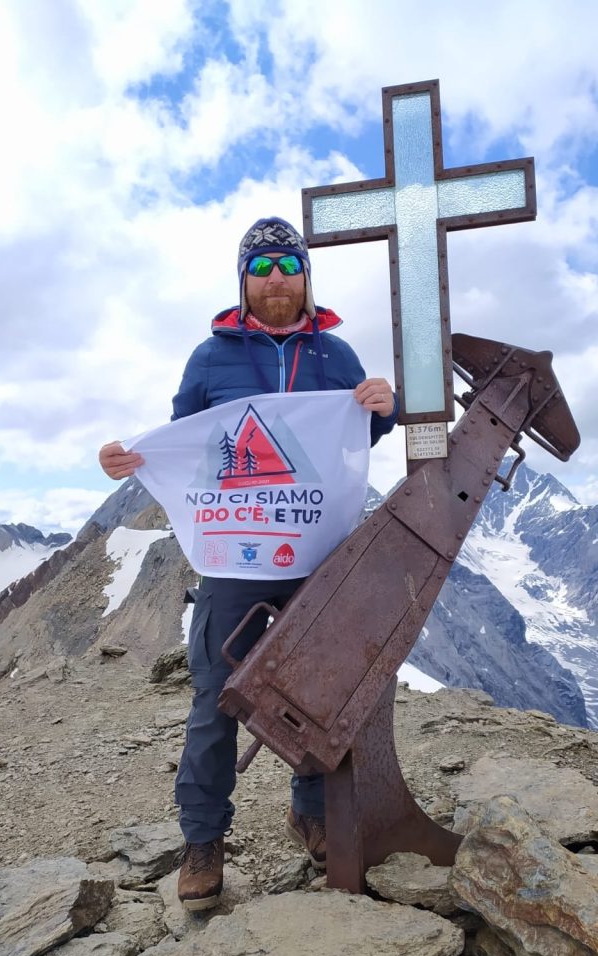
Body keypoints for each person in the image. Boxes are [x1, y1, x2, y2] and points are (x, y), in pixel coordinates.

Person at [99, 216, 398, 909]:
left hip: (316, 557)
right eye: (260, 269)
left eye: (287, 266)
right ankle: (203, 842)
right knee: (216, 699)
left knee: (319, 695)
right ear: (243, 280)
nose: (274, 281)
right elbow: (182, 441)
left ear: (305, 276)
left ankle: (312, 812)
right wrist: (129, 458)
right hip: (236, 561)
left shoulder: (337, 354)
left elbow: (365, 432)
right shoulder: (211, 358)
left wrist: (383, 407)